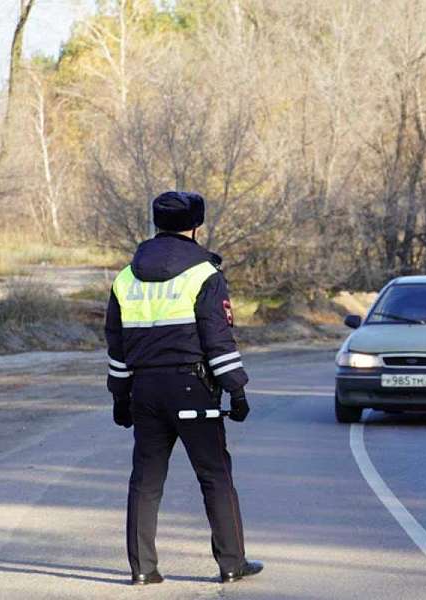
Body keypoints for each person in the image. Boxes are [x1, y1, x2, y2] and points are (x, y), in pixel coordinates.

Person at [105, 191, 263, 586]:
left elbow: (117, 344)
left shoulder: (125, 277)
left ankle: (142, 569)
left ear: (156, 223)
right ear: (196, 225)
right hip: (192, 388)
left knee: (145, 480)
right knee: (214, 474)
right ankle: (231, 563)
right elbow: (217, 338)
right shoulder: (204, 274)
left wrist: (120, 397)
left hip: (144, 389)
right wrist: (236, 390)